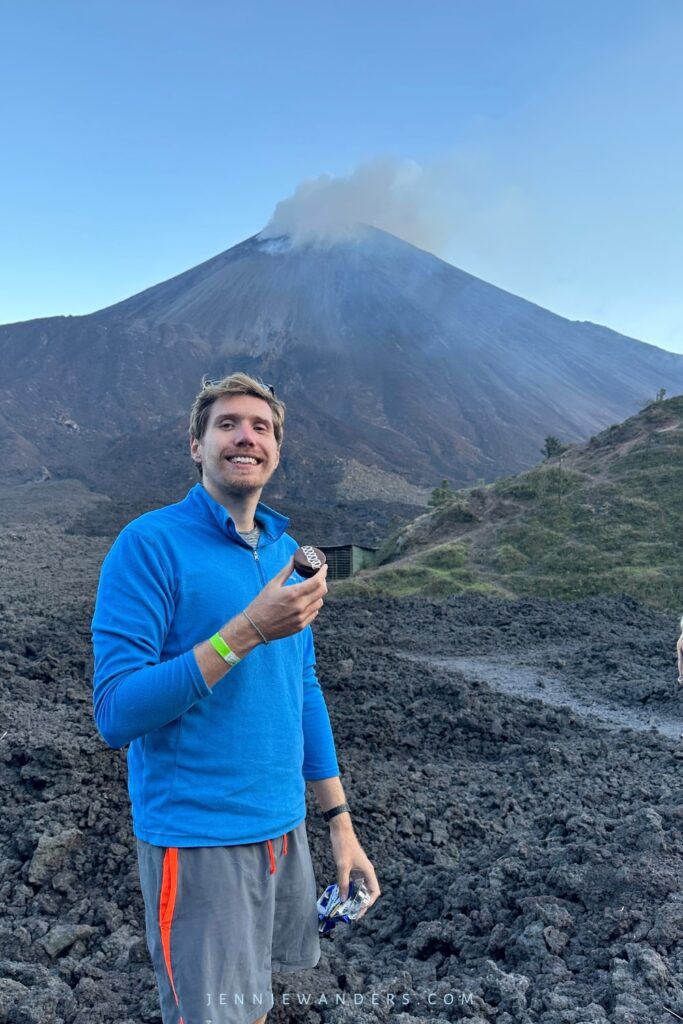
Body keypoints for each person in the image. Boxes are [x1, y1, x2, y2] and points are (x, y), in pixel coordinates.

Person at [91, 372, 380, 1024]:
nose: (245, 437)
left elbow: (300, 686)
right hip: (198, 841)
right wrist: (246, 630)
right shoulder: (149, 545)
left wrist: (339, 825)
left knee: (251, 1005)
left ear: (276, 448)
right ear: (195, 445)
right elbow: (115, 712)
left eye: (261, 427)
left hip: (283, 832)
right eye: (227, 424)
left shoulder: (283, 551)